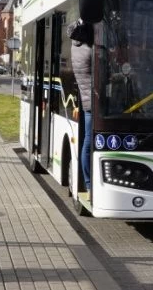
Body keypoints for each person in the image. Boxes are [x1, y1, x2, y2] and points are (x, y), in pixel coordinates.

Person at [67, 18, 93, 192]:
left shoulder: (75, 47)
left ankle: (89, 182)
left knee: (87, 141)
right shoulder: (88, 51)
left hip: (87, 100)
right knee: (89, 142)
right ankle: (89, 183)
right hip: (92, 101)